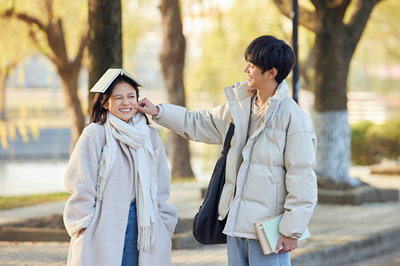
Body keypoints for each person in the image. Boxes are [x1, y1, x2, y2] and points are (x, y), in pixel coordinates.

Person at [135, 35, 318, 265]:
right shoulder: (239, 108)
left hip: (268, 233)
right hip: (235, 226)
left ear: (271, 72)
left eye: (252, 65)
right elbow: (197, 122)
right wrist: (158, 112)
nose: (246, 70)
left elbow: (303, 180)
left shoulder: (294, 118)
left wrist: (292, 231)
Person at [63, 69, 178, 266]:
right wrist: (83, 224)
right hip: (104, 220)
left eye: (131, 96)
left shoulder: (150, 136)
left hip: (144, 223)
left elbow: (161, 183)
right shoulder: (95, 134)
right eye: (118, 97)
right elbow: (81, 180)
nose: (126, 102)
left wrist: (164, 223)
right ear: (106, 102)